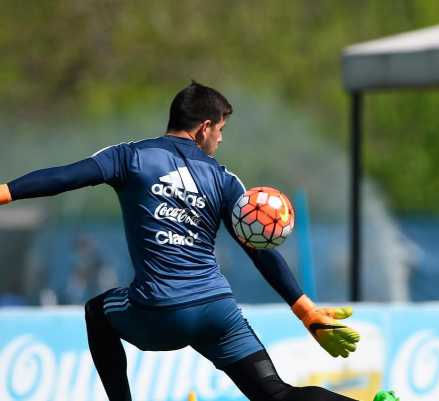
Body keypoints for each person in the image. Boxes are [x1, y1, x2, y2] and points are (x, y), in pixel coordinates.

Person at [0, 81, 399, 401]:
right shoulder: (224, 179)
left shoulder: (131, 157)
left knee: (96, 312)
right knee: (276, 392)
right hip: (217, 313)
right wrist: (305, 309)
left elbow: (66, 176)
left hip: (160, 310)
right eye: (221, 130)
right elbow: (256, 248)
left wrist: (6, 192)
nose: (220, 140)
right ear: (204, 127)